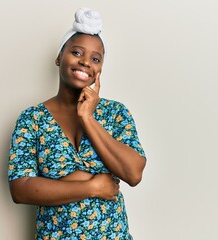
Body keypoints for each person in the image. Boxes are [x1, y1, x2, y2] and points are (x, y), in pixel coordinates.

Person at [8, 7, 147, 240]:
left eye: (95, 59)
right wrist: (93, 187)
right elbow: (21, 189)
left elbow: (133, 173)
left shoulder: (115, 113)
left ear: (100, 69)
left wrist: (88, 118)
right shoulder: (32, 119)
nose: (85, 62)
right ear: (59, 57)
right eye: (76, 52)